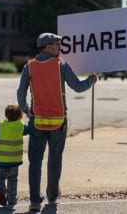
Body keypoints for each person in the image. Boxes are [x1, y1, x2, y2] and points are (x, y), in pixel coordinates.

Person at [17, 32, 97, 212]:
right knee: (55, 160)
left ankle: (34, 201)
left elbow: (21, 93)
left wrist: (27, 110)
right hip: (58, 123)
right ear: (48, 47)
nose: (59, 48)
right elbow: (77, 86)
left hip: (36, 122)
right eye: (57, 45)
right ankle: (52, 197)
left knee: (35, 162)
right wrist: (91, 80)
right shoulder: (61, 65)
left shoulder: (29, 67)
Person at [0, 103, 29, 206]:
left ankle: (0, 188)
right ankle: (12, 199)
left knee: (0, 177)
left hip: (2, 160)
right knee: (13, 180)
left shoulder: (1, 126)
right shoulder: (21, 126)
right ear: (20, 116)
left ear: (6, 115)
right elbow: (30, 130)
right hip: (14, 160)